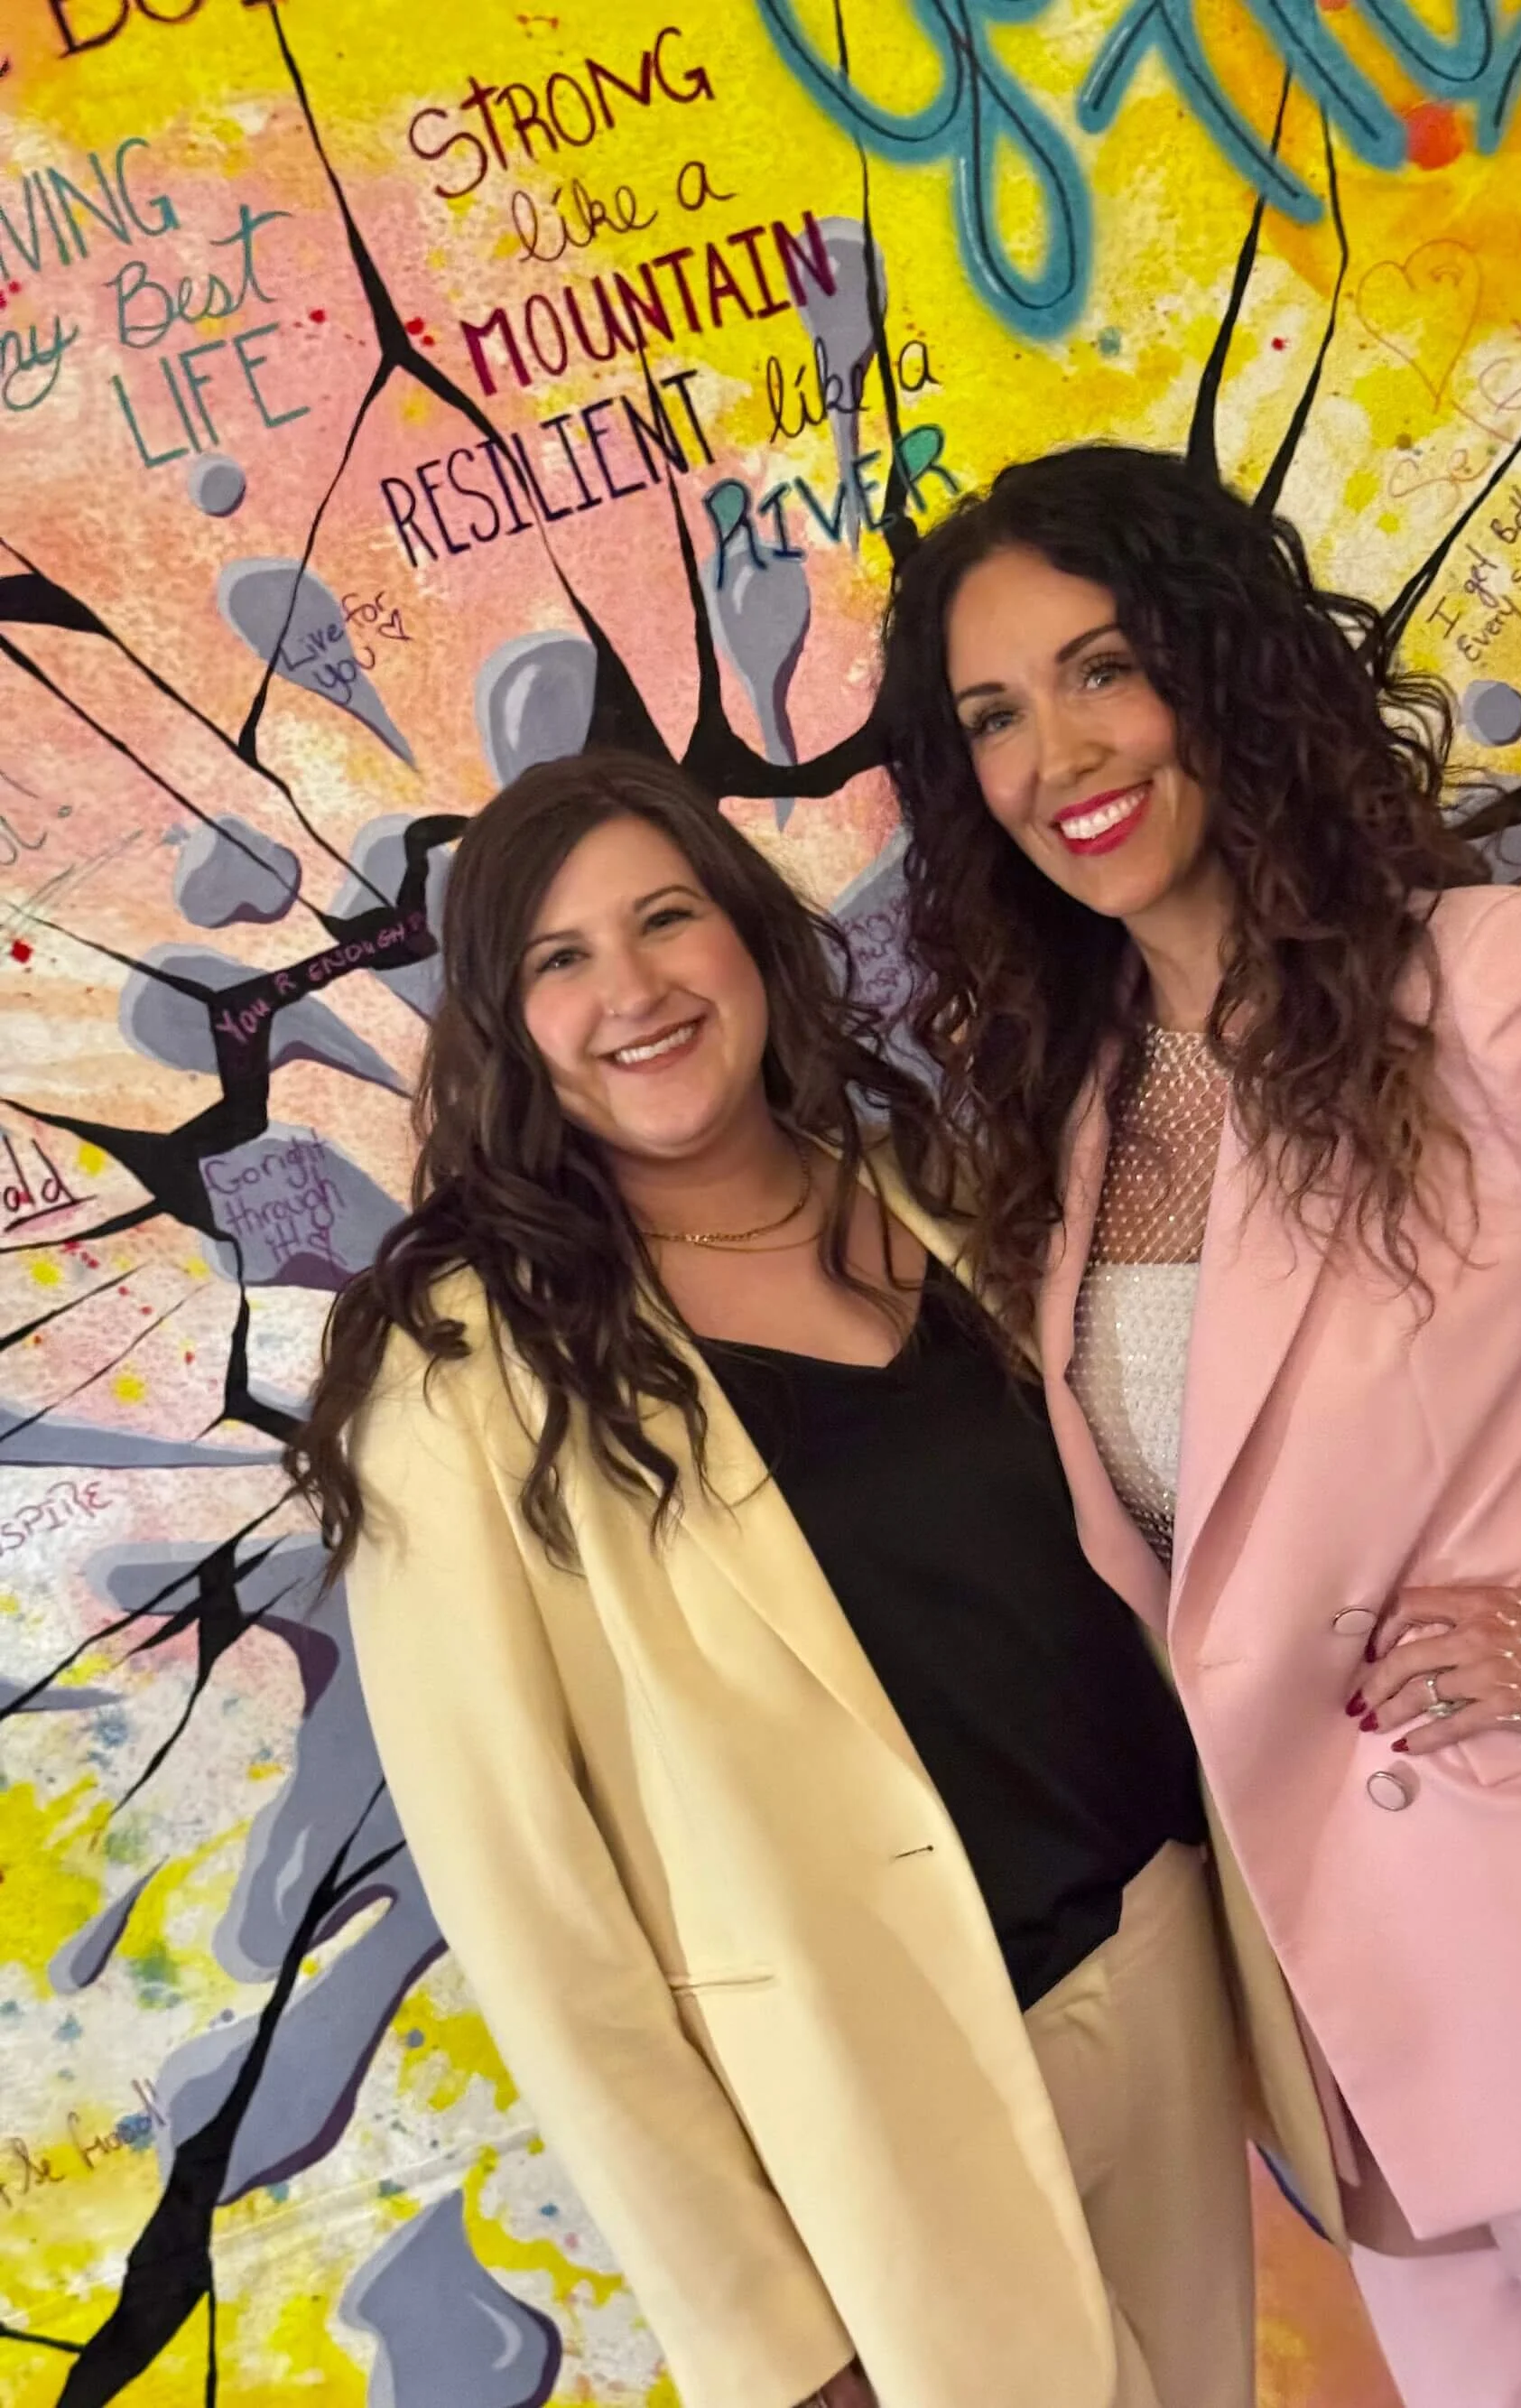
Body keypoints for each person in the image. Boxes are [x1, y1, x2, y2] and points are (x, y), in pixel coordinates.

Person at [877, 441, 1521, 2408]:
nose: (1056, 751)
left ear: (1219, 671)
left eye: (1102, 665)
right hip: (1360, 2067)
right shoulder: (1085, 1107)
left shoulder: (1467, 989)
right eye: (991, 715)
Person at [285, 749, 1322, 2408]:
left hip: (1163, 1954)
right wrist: (771, 2330)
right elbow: (536, 1917)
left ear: (750, 938)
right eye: (559, 960)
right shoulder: (458, 1371)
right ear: (504, 1024)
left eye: (665, 918)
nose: (631, 990)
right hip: (883, 2116)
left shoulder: (944, 1194)